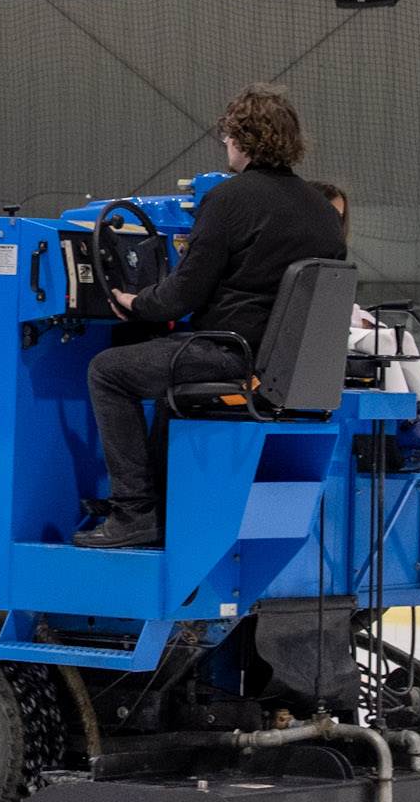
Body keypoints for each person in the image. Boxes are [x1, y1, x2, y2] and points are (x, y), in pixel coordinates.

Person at [75, 84, 347, 549]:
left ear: (244, 139)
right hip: (285, 365)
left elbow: (184, 293)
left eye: (228, 136)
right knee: (166, 382)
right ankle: (162, 506)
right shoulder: (321, 210)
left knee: (107, 372)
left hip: (231, 354)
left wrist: (135, 302)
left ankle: (134, 512)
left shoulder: (229, 199)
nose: (225, 144)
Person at [313, 182, 420, 465]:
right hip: (313, 333)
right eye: (331, 214)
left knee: (401, 339)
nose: (336, 222)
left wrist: (365, 321)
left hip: (334, 326)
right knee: (387, 342)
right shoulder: (302, 249)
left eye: (340, 217)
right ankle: (408, 426)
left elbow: (341, 303)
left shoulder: (332, 252)